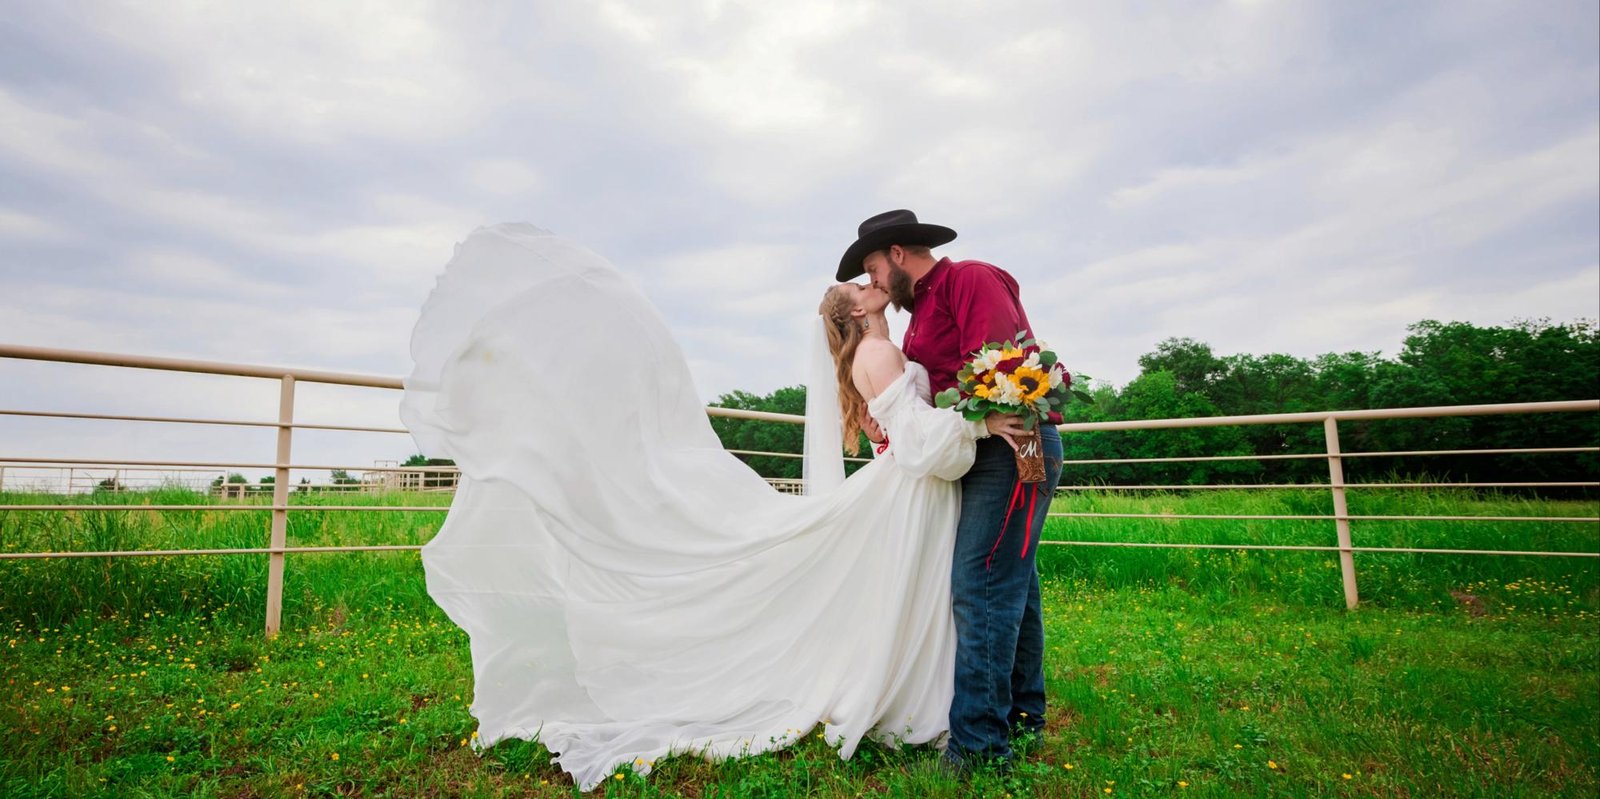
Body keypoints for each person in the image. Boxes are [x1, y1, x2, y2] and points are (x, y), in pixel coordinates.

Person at [400, 223, 1010, 791]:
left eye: (868, 272)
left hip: (908, 487)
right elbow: (917, 442)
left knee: (908, 593)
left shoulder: (878, 351)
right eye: (861, 283)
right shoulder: (878, 355)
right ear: (855, 310)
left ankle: (935, 693)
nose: (871, 284)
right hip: (912, 485)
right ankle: (922, 700)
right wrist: (980, 423)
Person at [836, 209, 1065, 771]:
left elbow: (999, 365)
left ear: (895, 254)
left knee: (982, 583)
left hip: (1010, 447)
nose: (874, 283)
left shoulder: (968, 279)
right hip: (977, 450)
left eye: (873, 268)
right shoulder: (916, 318)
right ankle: (1023, 715)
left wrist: (978, 422)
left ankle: (979, 748)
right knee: (1014, 580)